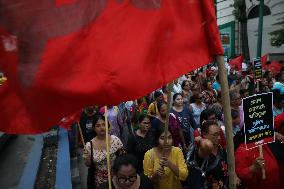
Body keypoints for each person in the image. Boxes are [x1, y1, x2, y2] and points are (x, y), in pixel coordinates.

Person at [83, 113, 124, 188]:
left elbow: (123, 158)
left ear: (107, 125)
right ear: (94, 128)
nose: (101, 127)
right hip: (100, 181)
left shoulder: (115, 140)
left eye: (103, 124)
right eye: (98, 126)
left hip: (116, 178)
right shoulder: (89, 146)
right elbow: (88, 164)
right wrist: (87, 158)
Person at [186, 120, 229, 189]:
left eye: (219, 134)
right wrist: (200, 139)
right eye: (215, 135)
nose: (219, 137)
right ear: (204, 134)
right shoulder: (203, 150)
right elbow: (208, 145)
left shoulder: (220, 149)